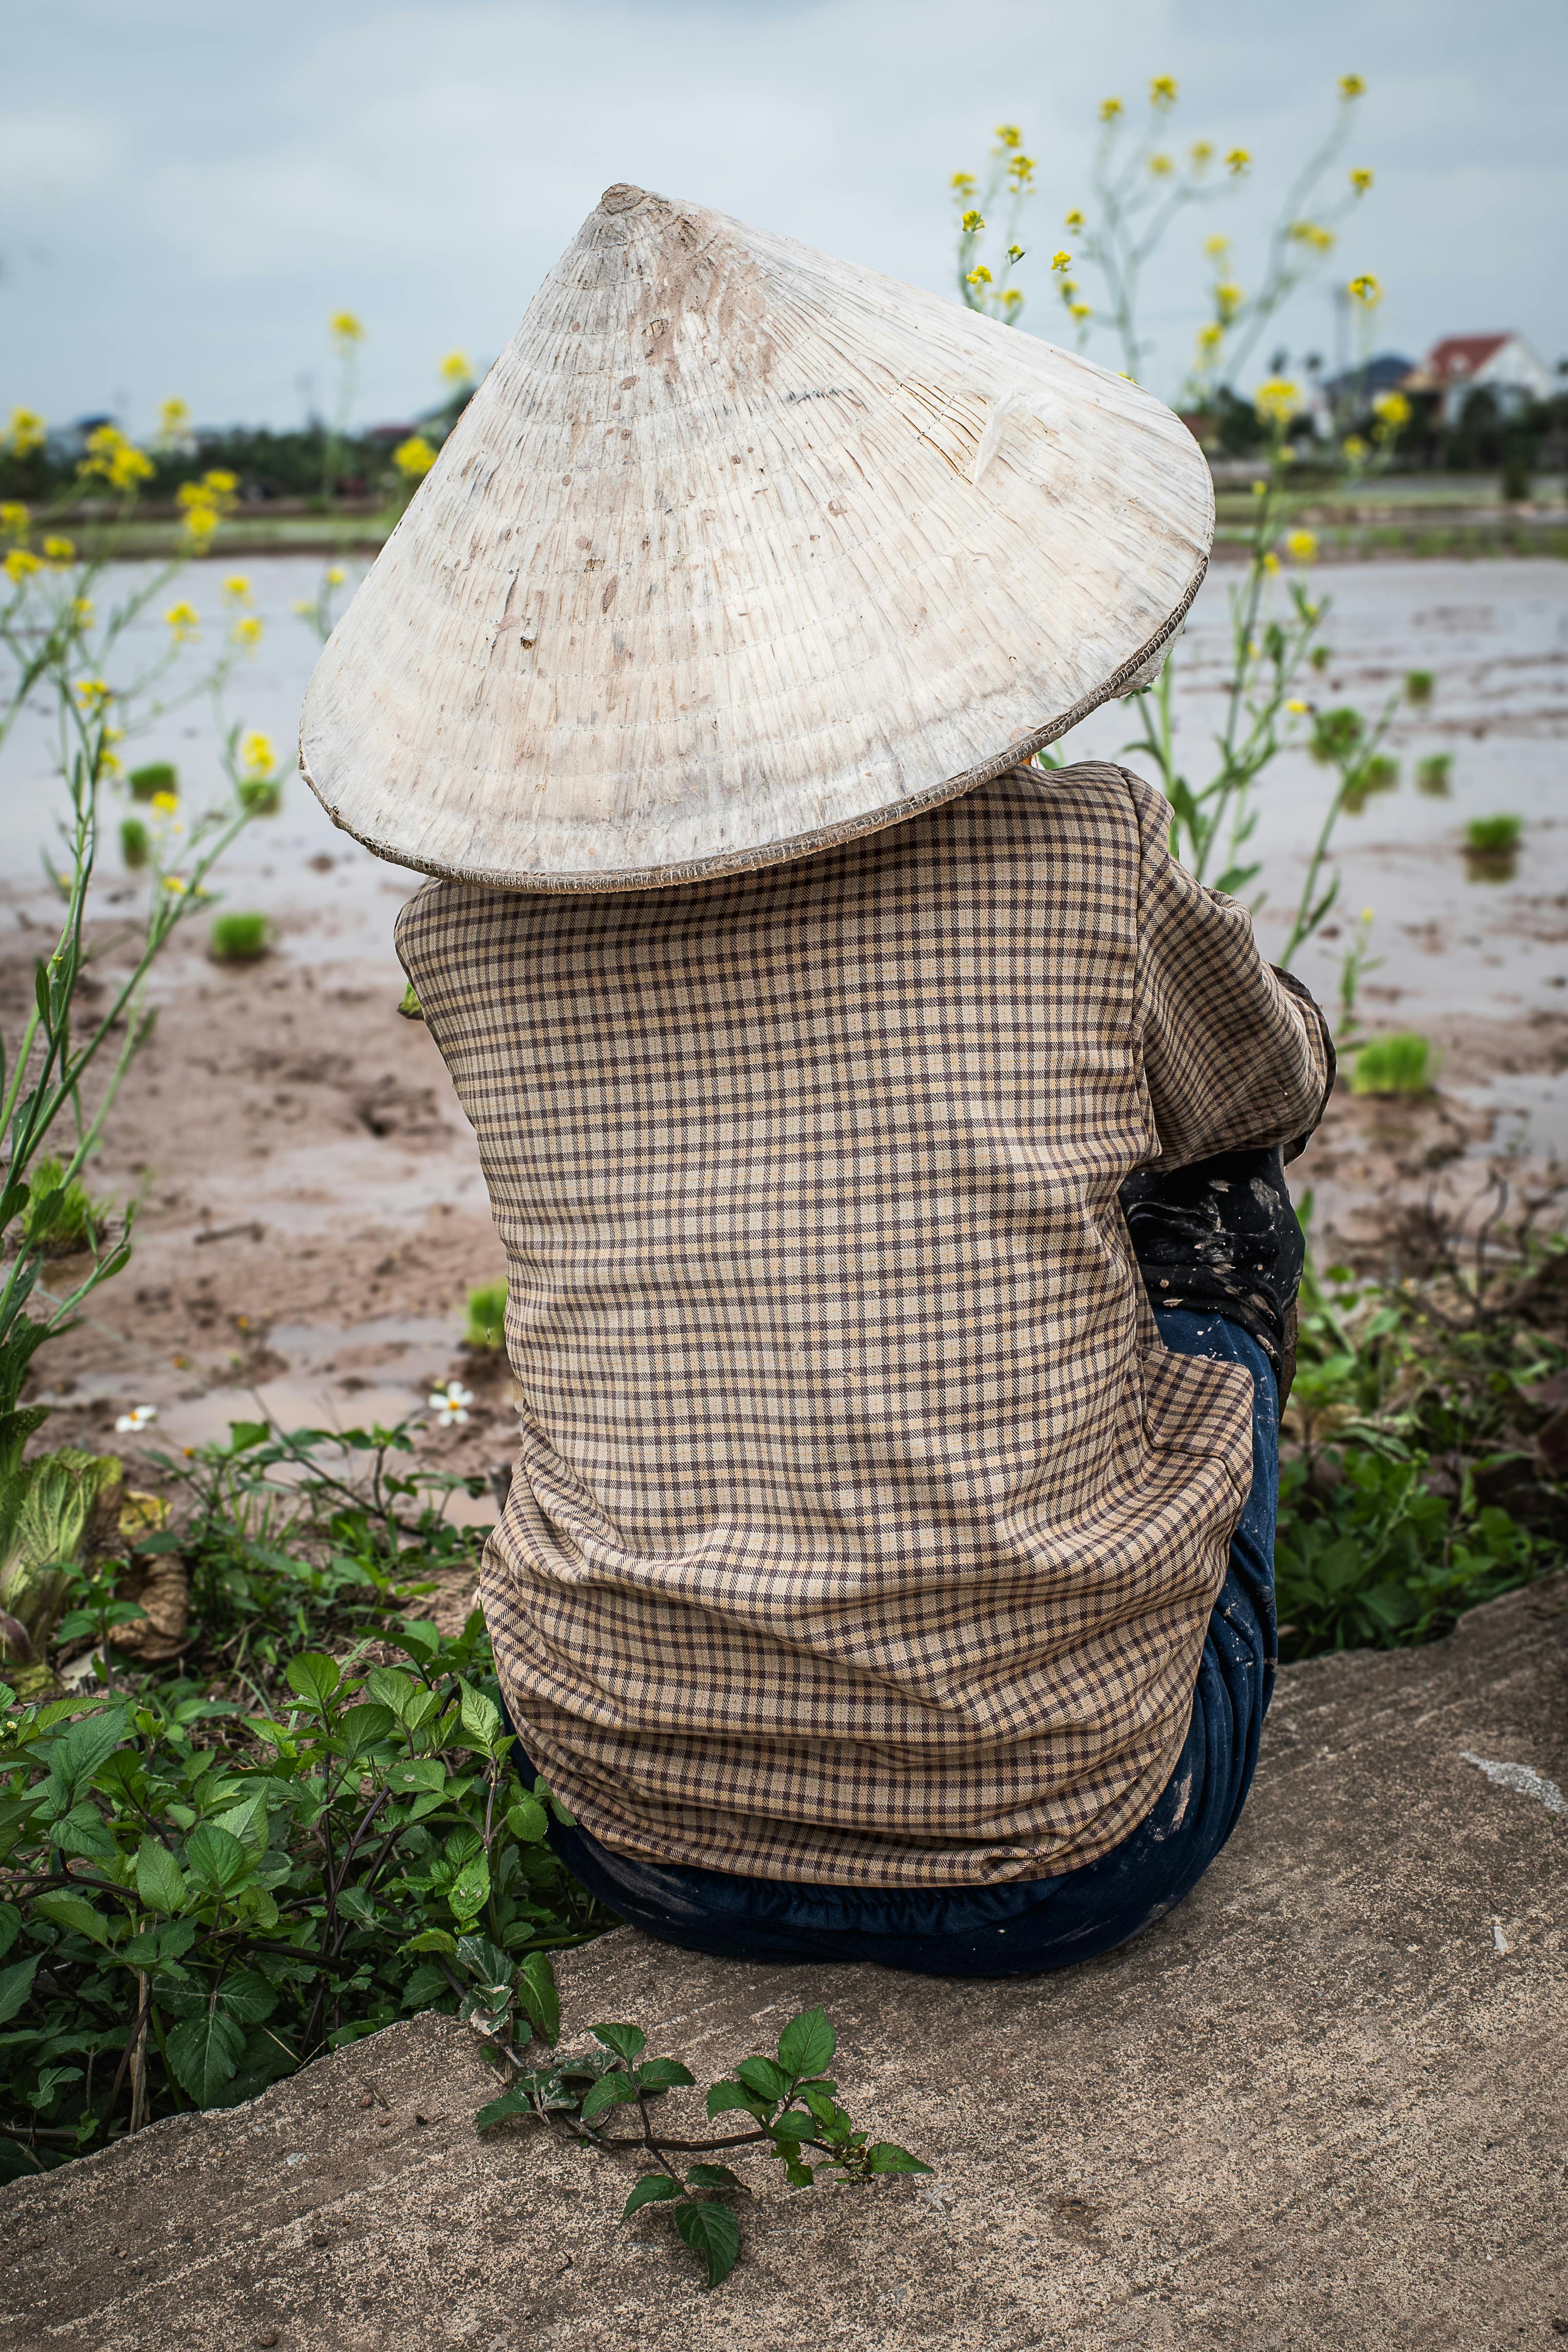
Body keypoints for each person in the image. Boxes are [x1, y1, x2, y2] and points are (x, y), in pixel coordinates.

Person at [301, 185, 1333, 1977]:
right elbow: (1257, 1095)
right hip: (1070, 1842)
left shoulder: (460, 938)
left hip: (628, 1831)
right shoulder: (1079, 855)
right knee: (1221, 1209)